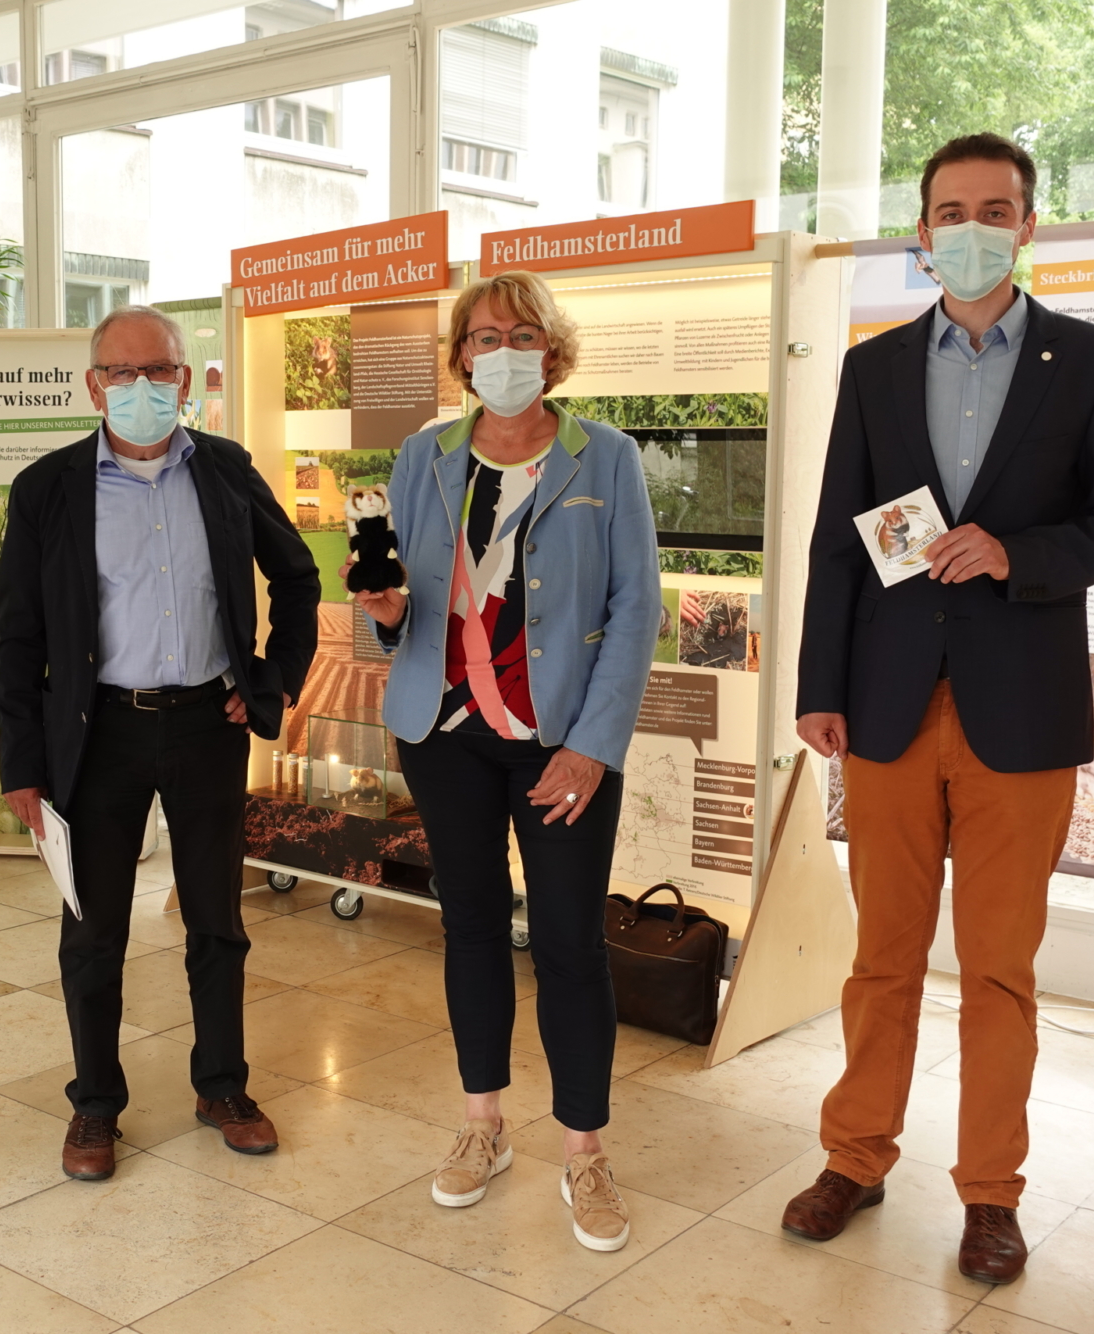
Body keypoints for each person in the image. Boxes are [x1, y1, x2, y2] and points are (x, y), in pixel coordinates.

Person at [788, 133, 1094, 1283]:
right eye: (949, 209)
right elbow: (839, 537)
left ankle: (990, 1192)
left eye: (993, 208)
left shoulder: (1090, 362)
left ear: (1027, 224)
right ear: (920, 228)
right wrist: (816, 686)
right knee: (880, 957)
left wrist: (1013, 551)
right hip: (889, 705)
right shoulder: (874, 366)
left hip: (1019, 714)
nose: (969, 227)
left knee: (998, 969)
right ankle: (854, 1154)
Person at [354, 270, 659, 1252]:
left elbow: (634, 610)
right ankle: (481, 1121)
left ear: (552, 350)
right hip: (443, 734)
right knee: (472, 925)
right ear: (459, 358)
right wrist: (384, 614)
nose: (500, 351)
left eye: (518, 333)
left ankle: (583, 1146)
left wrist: (591, 747)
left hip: (559, 739)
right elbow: (386, 596)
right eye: (481, 336)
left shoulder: (602, 458)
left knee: (568, 937)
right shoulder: (422, 455)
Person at [0, 305, 320, 1182]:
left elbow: (296, 576)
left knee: (217, 921)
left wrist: (270, 681)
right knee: (92, 933)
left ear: (187, 378)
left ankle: (222, 1087)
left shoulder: (223, 468)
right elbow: (18, 636)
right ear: (93, 383)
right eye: (124, 373)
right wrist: (22, 764)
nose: (144, 388)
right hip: (97, 733)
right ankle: (94, 1106)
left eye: (162, 371)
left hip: (207, 725)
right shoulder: (48, 488)